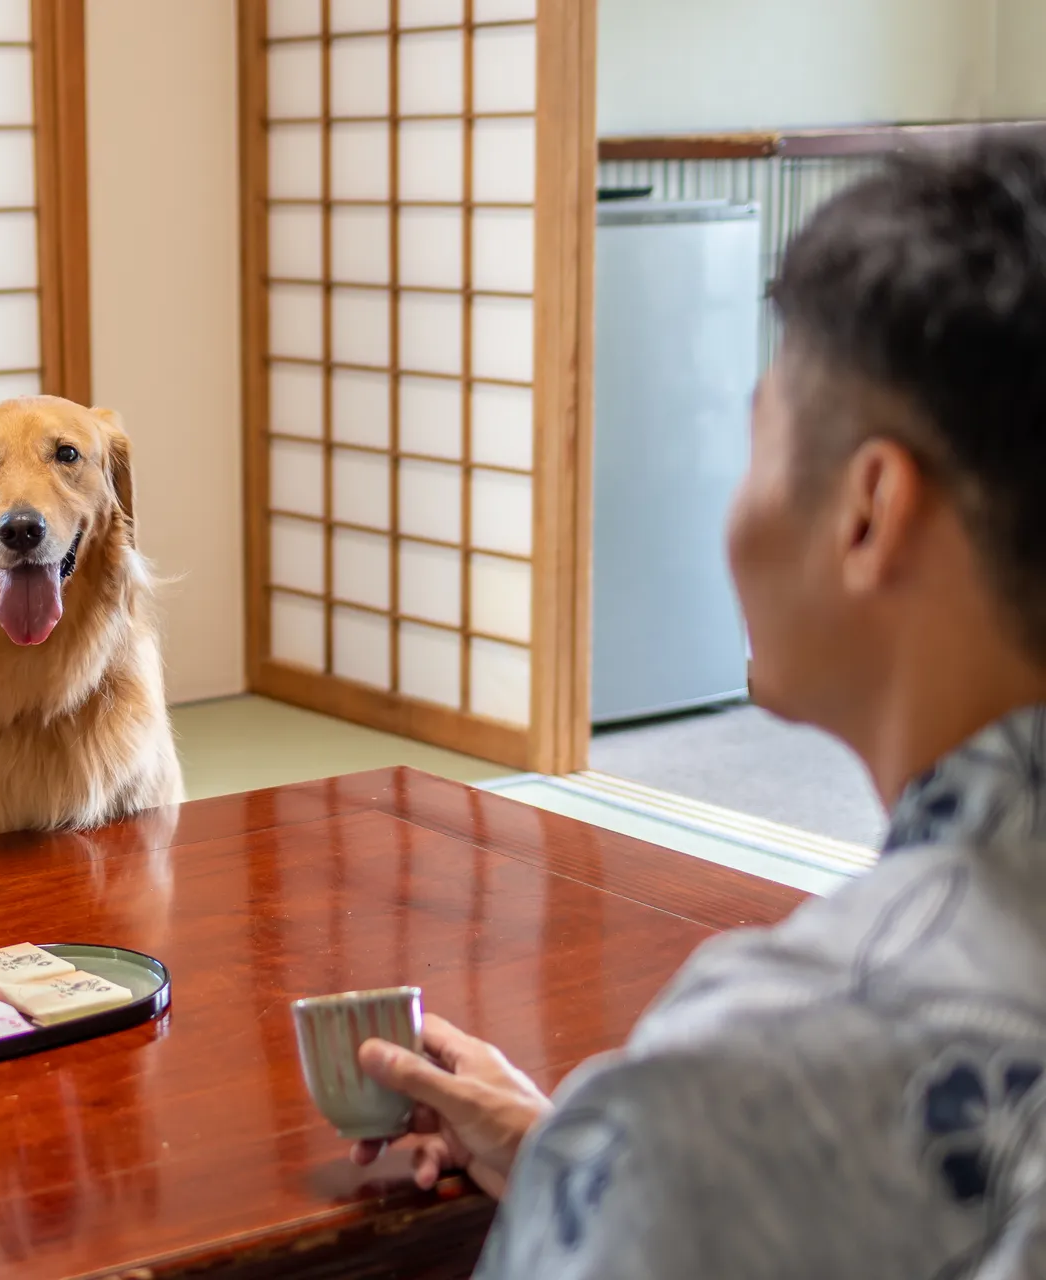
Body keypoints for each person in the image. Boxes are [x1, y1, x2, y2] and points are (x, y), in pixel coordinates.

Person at [348, 135, 1046, 1276]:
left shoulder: (759, 1067)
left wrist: (638, 1158)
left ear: (870, 508)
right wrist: (575, 1152)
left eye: (758, 436)